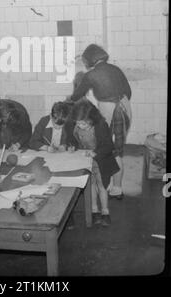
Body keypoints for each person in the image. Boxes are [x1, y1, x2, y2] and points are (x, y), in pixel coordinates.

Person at [69, 44, 132, 200]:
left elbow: (77, 95)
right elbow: (128, 92)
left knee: (109, 148)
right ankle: (117, 187)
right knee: (118, 148)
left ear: (90, 60)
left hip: (110, 110)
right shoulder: (116, 69)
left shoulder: (91, 75)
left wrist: (68, 100)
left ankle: (111, 186)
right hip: (125, 107)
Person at [68, 98, 120, 226]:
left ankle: (105, 212)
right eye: (78, 123)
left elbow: (109, 146)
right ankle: (94, 211)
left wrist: (95, 153)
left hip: (101, 161)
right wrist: (72, 147)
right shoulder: (76, 126)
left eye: (84, 124)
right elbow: (74, 140)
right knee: (90, 186)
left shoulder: (101, 125)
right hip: (86, 162)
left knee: (102, 186)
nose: (80, 126)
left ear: (92, 118)